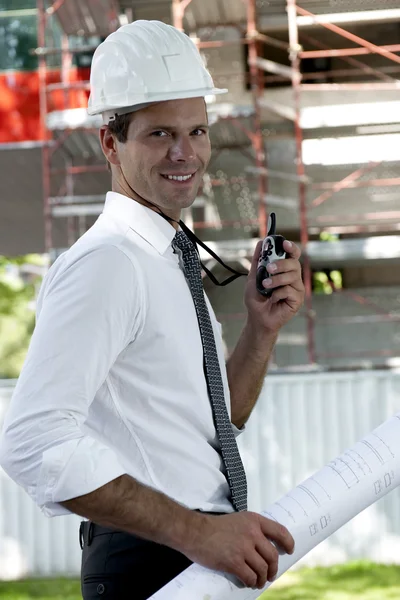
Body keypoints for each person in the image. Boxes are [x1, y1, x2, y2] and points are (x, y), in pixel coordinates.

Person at [0, 20, 304, 599]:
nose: (184, 152)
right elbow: (33, 441)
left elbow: (217, 420)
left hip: (197, 557)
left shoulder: (167, 259)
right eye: (160, 134)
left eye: (196, 130)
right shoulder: (107, 264)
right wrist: (198, 534)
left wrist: (260, 332)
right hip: (153, 563)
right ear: (110, 142)